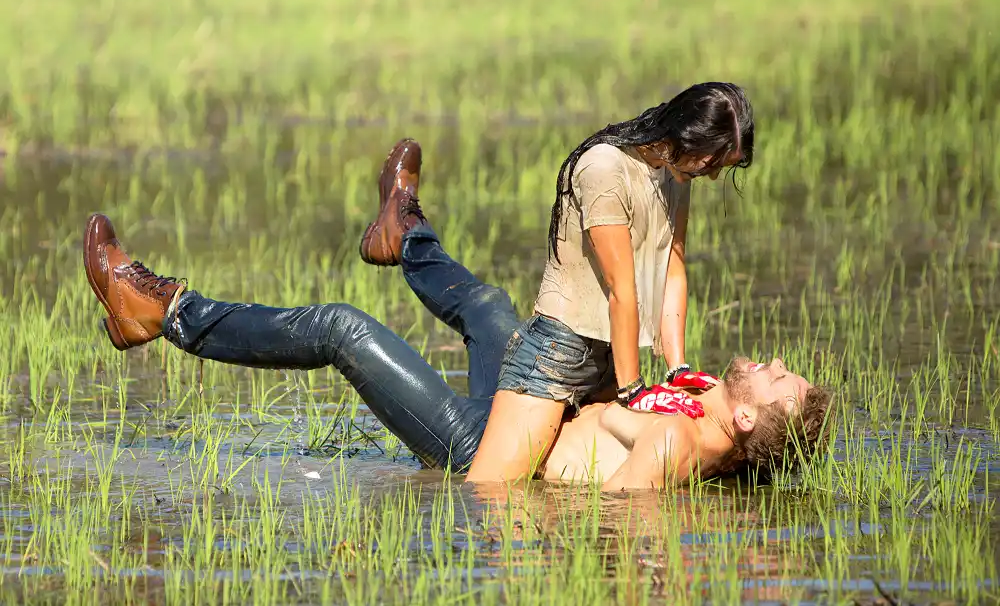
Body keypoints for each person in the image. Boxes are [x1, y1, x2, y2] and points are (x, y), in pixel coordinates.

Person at [82, 138, 831, 489]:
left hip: (482, 447)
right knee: (490, 307)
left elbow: (618, 524)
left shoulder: (677, 447)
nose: (769, 364)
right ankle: (404, 233)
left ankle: (162, 312)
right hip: (531, 401)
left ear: (744, 422)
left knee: (344, 328)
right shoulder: (701, 407)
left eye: (778, 383)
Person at [391, 83, 754, 483]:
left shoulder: (676, 174)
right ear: (688, 135)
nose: (715, 175)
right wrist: (633, 390)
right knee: (490, 492)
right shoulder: (605, 168)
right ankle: (406, 229)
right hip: (557, 357)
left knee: (488, 308)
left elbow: (673, 265)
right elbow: (622, 287)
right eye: (713, 163)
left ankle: (406, 227)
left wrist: (677, 368)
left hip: (608, 358)